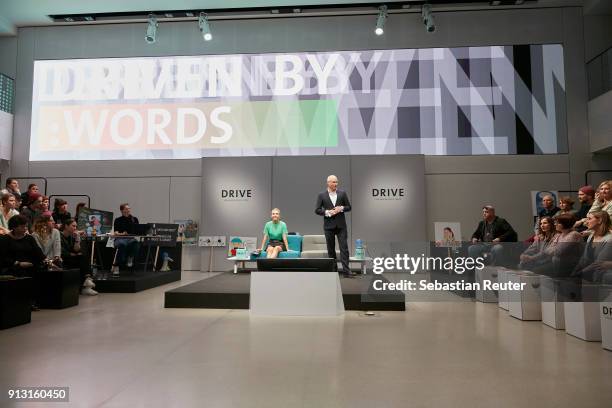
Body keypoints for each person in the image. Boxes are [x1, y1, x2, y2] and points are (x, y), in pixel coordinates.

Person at [0, 215, 46, 310]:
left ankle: (32, 301)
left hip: (30, 265)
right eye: (22, 226)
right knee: (19, 273)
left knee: (39, 273)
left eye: (26, 226)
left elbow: (39, 254)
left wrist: (35, 262)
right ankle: (19, 303)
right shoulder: (5, 239)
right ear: (14, 227)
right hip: (12, 266)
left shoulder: (29, 238)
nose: (25, 228)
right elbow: (3, 257)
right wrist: (18, 263)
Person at [315, 175, 352, 277]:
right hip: (329, 226)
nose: (336, 184)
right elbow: (317, 210)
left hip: (341, 226)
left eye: (336, 182)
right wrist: (327, 212)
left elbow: (349, 207)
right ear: (328, 183)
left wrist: (342, 208)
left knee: (344, 248)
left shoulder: (342, 193)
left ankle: (346, 271)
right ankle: (333, 270)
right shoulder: (321, 195)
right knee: (331, 249)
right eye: (333, 182)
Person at [572, 211, 612, 282]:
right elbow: (584, 258)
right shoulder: (591, 236)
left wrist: (579, 273)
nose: (586, 222)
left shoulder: (609, 239)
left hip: (599, 276)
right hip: (588, 272)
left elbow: (599, 264)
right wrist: (575, 270)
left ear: (599, 220)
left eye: (589, 219)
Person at [61, 218, 97, 296]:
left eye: (76, 226)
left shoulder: (71, 237)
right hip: (63, 258)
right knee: (81, 258)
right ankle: (87, 282)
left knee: (82, 256)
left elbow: (76, 249)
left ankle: (87, 282)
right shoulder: (59, 235)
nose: (75, 228)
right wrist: (71, 254)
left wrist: (77, 238)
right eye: (73, 226)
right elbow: (61, 251)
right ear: (66, 226)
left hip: (71, 258)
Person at [111, 203, 140, 276]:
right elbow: (116, 232)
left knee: (136, 244)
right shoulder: (118, 220)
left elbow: (137, 231)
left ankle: (130, 258)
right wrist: (123, 234)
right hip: (120, 238)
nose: (128, 210)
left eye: (129, 208)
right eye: (126, 209)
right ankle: (117, 265)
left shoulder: (134, 219)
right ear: (122, 210)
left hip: (131, 239)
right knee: (122, 245)